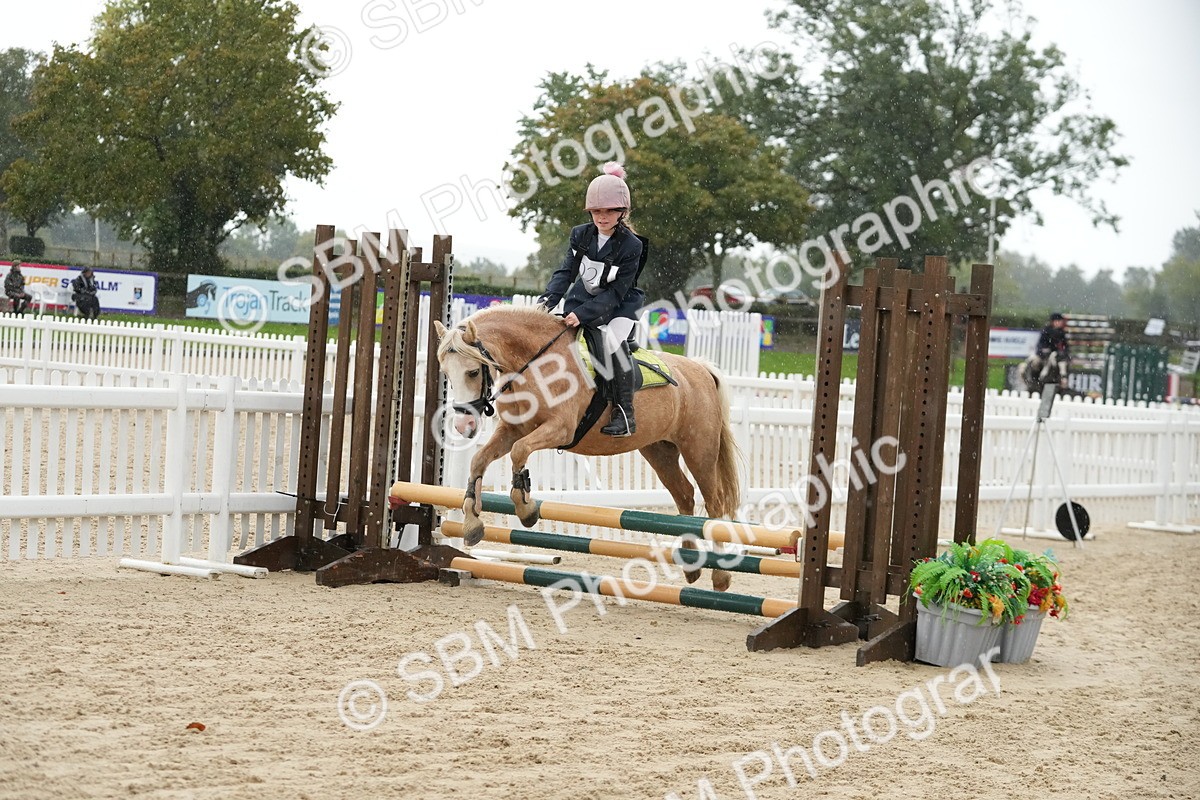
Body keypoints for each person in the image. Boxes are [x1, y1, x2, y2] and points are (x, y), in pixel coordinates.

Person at [537, 162, 648, 437]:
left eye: (610, 210)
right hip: (584, 299)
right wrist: (548, 301)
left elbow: (616, 292)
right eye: (597, 211)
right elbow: (566, 272)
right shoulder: (581, 234)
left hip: (620, 305)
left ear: (622, 212)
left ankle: (625, 413)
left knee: (612, 342)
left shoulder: (632, 246)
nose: (602, 216)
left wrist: (584, 314)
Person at [1032, 312, 1071, 387]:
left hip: (1056, 354)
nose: (1061, 323)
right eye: (1059, 321)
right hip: (1044, 354)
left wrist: (1063, 352)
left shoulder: (1062, 333)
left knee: (1064, 364)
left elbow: (1065, 346)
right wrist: (1044, 350)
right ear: (1054, 322)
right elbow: (1041, 344)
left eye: (1061, 321)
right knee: (1036, 363)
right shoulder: (1046, 331)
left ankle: (1062, 380)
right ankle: (1034, 380)